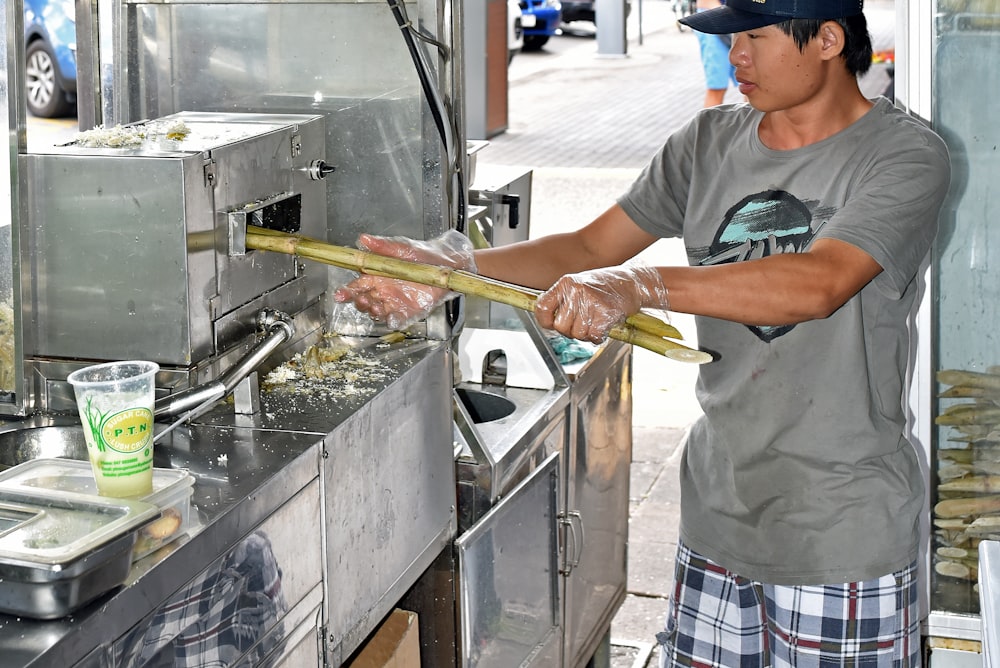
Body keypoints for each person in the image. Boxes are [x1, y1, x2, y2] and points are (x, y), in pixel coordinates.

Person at [335, 0, 952, 664]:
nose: (734, 55)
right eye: (730, 39)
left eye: (754, 37)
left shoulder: (904, 153)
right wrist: (450, 269)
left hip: (843, 528)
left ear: (828, 39)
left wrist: (645, 285)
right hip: (720, 510)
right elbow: (589, 245)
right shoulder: (710, 141)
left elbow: (819, 282)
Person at [694, 0, 736, 107]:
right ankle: (708, 123)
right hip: (713, 13)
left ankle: (751, 123)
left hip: (737, 15)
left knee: (752, 85)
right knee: (717, 87)